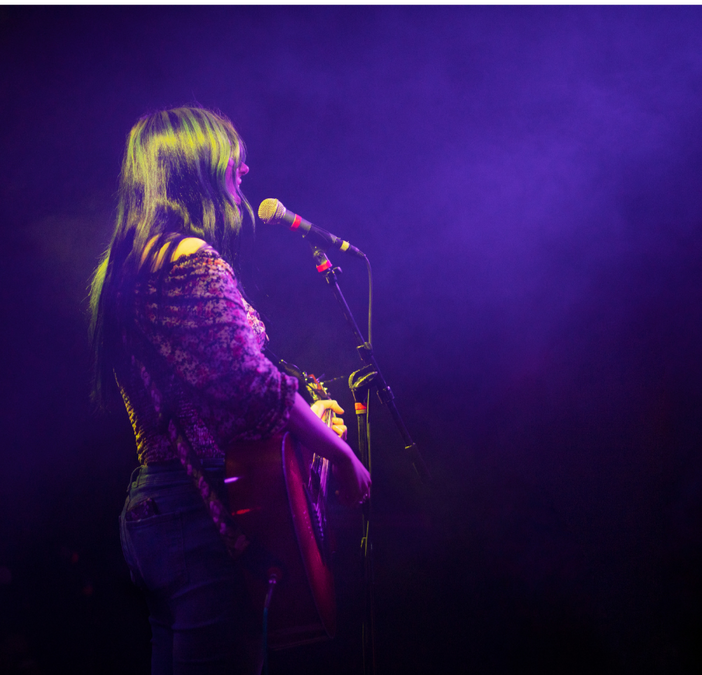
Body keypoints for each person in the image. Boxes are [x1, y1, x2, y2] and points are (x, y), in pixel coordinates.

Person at [89, 106, 371, 675]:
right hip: (198, 513)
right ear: (194, 167)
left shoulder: (126, 267)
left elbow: (213, 388)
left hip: (156, 508)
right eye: (231, 158)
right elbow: (250, 388)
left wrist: (302, 418)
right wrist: (337, 452)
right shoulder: (189, 259)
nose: (244, 170)